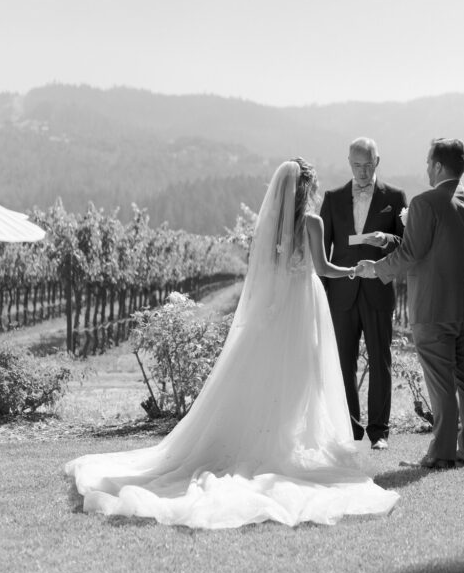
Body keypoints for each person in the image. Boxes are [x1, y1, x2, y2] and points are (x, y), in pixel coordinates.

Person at [66, 159, 398, 528]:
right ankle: (287, 444)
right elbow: (322, 267)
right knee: (303, 376)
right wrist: (354, 269)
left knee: (270, 375)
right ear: (308, 188)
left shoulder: (273, 226)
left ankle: (272, 440)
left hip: (276, 310)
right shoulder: (313, 222)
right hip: (303, 303)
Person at [355, 138, 464, 469]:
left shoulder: (425, 203)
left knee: (442, 380)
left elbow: (411, 253)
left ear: (439, 166)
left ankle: (442, 453)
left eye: (429, 163)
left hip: (434, 308)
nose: (426, 168)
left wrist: (375, 269)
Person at [319, 138, 407, 449]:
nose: (363, 171)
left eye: (368, 165)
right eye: (357, 165)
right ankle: (350, 428)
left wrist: (386, 240)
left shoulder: (395, 197)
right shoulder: (331, 199)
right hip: (341, 294)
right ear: (348, 163)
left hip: (378, 291)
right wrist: (323, 296)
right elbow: (322, 254)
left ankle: (379, 433)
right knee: (343, 361)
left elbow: (407, 246)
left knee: (380, 361)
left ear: (378, 162)